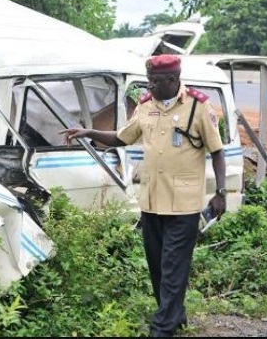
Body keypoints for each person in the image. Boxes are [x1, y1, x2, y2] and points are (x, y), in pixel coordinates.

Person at [59, 54, 227, 337]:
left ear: (173, 80)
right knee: (157, 267)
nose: (150, 86)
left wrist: (221, 193)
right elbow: (123, 137)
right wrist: (88, 131)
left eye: (156, 81)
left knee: (174, 267)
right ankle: (177, 315)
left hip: (183, 204)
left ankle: (162, 328)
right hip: (152, 201)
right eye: (149, 80)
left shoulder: (198, 106)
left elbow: (218, 152)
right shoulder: (146, 106)